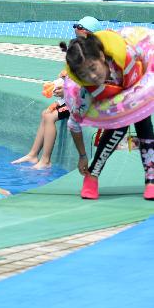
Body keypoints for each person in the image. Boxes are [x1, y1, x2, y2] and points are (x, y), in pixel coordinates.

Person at [61, 32, 154, 200]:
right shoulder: (85, 94)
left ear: (102, 56)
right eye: (84, 75)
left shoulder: (128, 56)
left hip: (138, 90)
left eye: (93, 68)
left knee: (142, 119)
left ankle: (151, 180)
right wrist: (82, 156)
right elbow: (73, 124)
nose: (92, 77)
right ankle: (92, 175)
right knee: (119, 125)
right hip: (114, 112)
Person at [12, 17, 103, 168]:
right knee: (45, 113)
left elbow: (90, 84)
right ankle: (33, 154)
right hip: (74, 98)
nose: (74, 28)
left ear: (86, 32)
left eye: (77, 26)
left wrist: (65, 92)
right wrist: (59, 87)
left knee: (50, 117)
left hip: (86, 102)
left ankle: (46, 160)